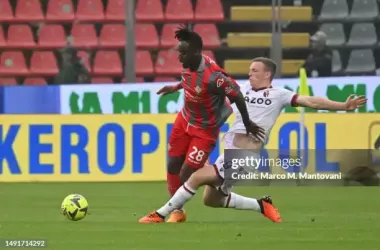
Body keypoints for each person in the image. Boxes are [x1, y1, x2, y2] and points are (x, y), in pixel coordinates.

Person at [138, 57, 367, 224]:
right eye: (249, 70)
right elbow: (208, 81)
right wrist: (178, 86)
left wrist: (342, 106)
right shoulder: (241, 89)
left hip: (244, 155)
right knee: (212, 200)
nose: (250, 73)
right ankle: (262, 205)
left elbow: (313, 102)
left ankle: (160, 214)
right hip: (228, 151)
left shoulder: (280, 94)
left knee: (197, 176)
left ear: (267, 74)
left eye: (255, 70)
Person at [152, 26, 265, 223]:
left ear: (196, 52)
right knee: (172, 165)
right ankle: (178, 211)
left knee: (186, 173)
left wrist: (247, 124)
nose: (180, 58)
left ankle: (203, 173)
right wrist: (176, 87)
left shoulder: (215, 78)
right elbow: (189, 80)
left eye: (183, 53)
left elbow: (237, 94)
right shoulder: (190, 63)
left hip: (204, 130)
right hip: (184, 119)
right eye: (179, 52)